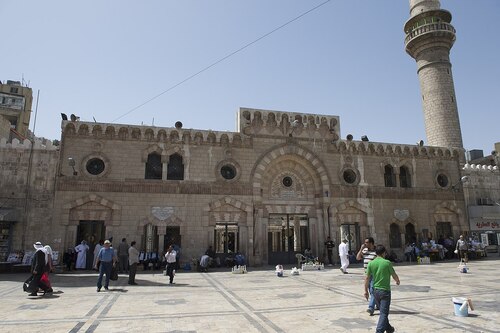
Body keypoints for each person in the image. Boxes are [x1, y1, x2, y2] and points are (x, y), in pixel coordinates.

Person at [365, 244, 400, 333]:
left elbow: (367, 278)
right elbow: (393, 274)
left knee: (382, 311)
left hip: (375, 291)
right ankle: (379, 331)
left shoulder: (371, 263)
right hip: (385, 291)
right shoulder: (387, 263)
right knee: (384, 313)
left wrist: (366, 291)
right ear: (384, 253)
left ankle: (388, 328)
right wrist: (397, 280)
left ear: (376, 253)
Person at [357, 237, 377, 315]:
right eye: (365, 242)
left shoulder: (376, 252)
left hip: (374, 274)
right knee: (371, 291)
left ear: (371, 243)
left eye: (367, 242)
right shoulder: (365, 250)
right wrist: (361, 249)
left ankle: (371, 307)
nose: (365, 244)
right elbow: (358, 258)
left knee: (372, 291)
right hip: (367, 274)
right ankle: (378, 305)